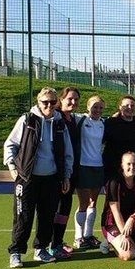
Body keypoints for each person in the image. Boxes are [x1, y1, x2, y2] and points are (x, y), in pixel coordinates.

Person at [3, 87, 74, 268]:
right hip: (27, 178)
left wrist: (66, 175)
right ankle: (16, 252)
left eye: (52, 102)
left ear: (56, 102)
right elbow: (10, 144)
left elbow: (68, 153)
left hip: (51, 178)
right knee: (23, 216)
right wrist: (12, 168)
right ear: (38, 102)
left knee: (47, 216)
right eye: (45, 102)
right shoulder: (27, 120)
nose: (49, 105)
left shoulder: (59, 124)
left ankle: (40, 249)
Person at [101, 152, 135, 261]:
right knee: (128, 255)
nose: (132, 167)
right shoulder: (114, 182)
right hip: (112, 224)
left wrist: (132, 219)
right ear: (122, 165)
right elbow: (116, 212)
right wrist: (125, 235)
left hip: (129, 222)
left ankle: (133, 242)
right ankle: (109, 242)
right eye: (129, 164)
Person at [50, 86, 81, 259]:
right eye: (70, 98)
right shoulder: (56, 118)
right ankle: (51, 244)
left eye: (76, 99)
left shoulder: (74, 119)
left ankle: (58, 241)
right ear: (61, 100)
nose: (73, 102)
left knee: (65, 207)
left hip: (72, 171)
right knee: (56, 207)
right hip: (59, 172)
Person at [73, 95, 106, 250]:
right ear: (87, 107)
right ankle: (78, 237)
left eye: (100, 107)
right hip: (83, 166)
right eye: (94, 106)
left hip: (98, 166)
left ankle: (88, 235)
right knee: (83, 203)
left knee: (94, 202)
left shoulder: (103, 124)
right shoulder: (80, 119)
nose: (97, 110)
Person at [102, 95, 135, 181]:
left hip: (133, 169)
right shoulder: (110, 123)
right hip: (113, 169)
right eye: (126, 105)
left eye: (132, 105)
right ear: (120, 107)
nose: (130, 108)